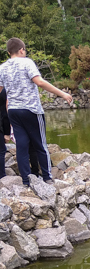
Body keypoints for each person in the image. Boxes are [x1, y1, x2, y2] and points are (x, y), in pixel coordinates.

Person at [0, 38, 73, 186]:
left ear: (9, 52)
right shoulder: (27, 62)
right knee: (40, 144)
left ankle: (26, 181)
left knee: (21, 146)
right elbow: (39, 82)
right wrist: (63, 94)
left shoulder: (2, 68)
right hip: (31, 109)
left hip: (13, 111)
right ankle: (47, 177)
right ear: (21, 50)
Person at [0, 88, 10, 178]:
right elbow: (4, 114)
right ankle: (2, 176)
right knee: (1, 150)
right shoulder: (3, 91)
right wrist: (7, 133)